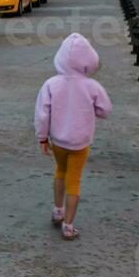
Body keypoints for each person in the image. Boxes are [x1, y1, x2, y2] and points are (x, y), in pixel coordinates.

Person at [34, 32, 113, 241]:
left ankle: (57, 211)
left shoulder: (51, 84)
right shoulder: (91, 86)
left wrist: (43, 138)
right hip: (81, 143)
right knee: (74, 180)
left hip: (58, 141)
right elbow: (105, 109)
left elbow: (42, 113)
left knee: (60, 171)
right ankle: (69, 226)